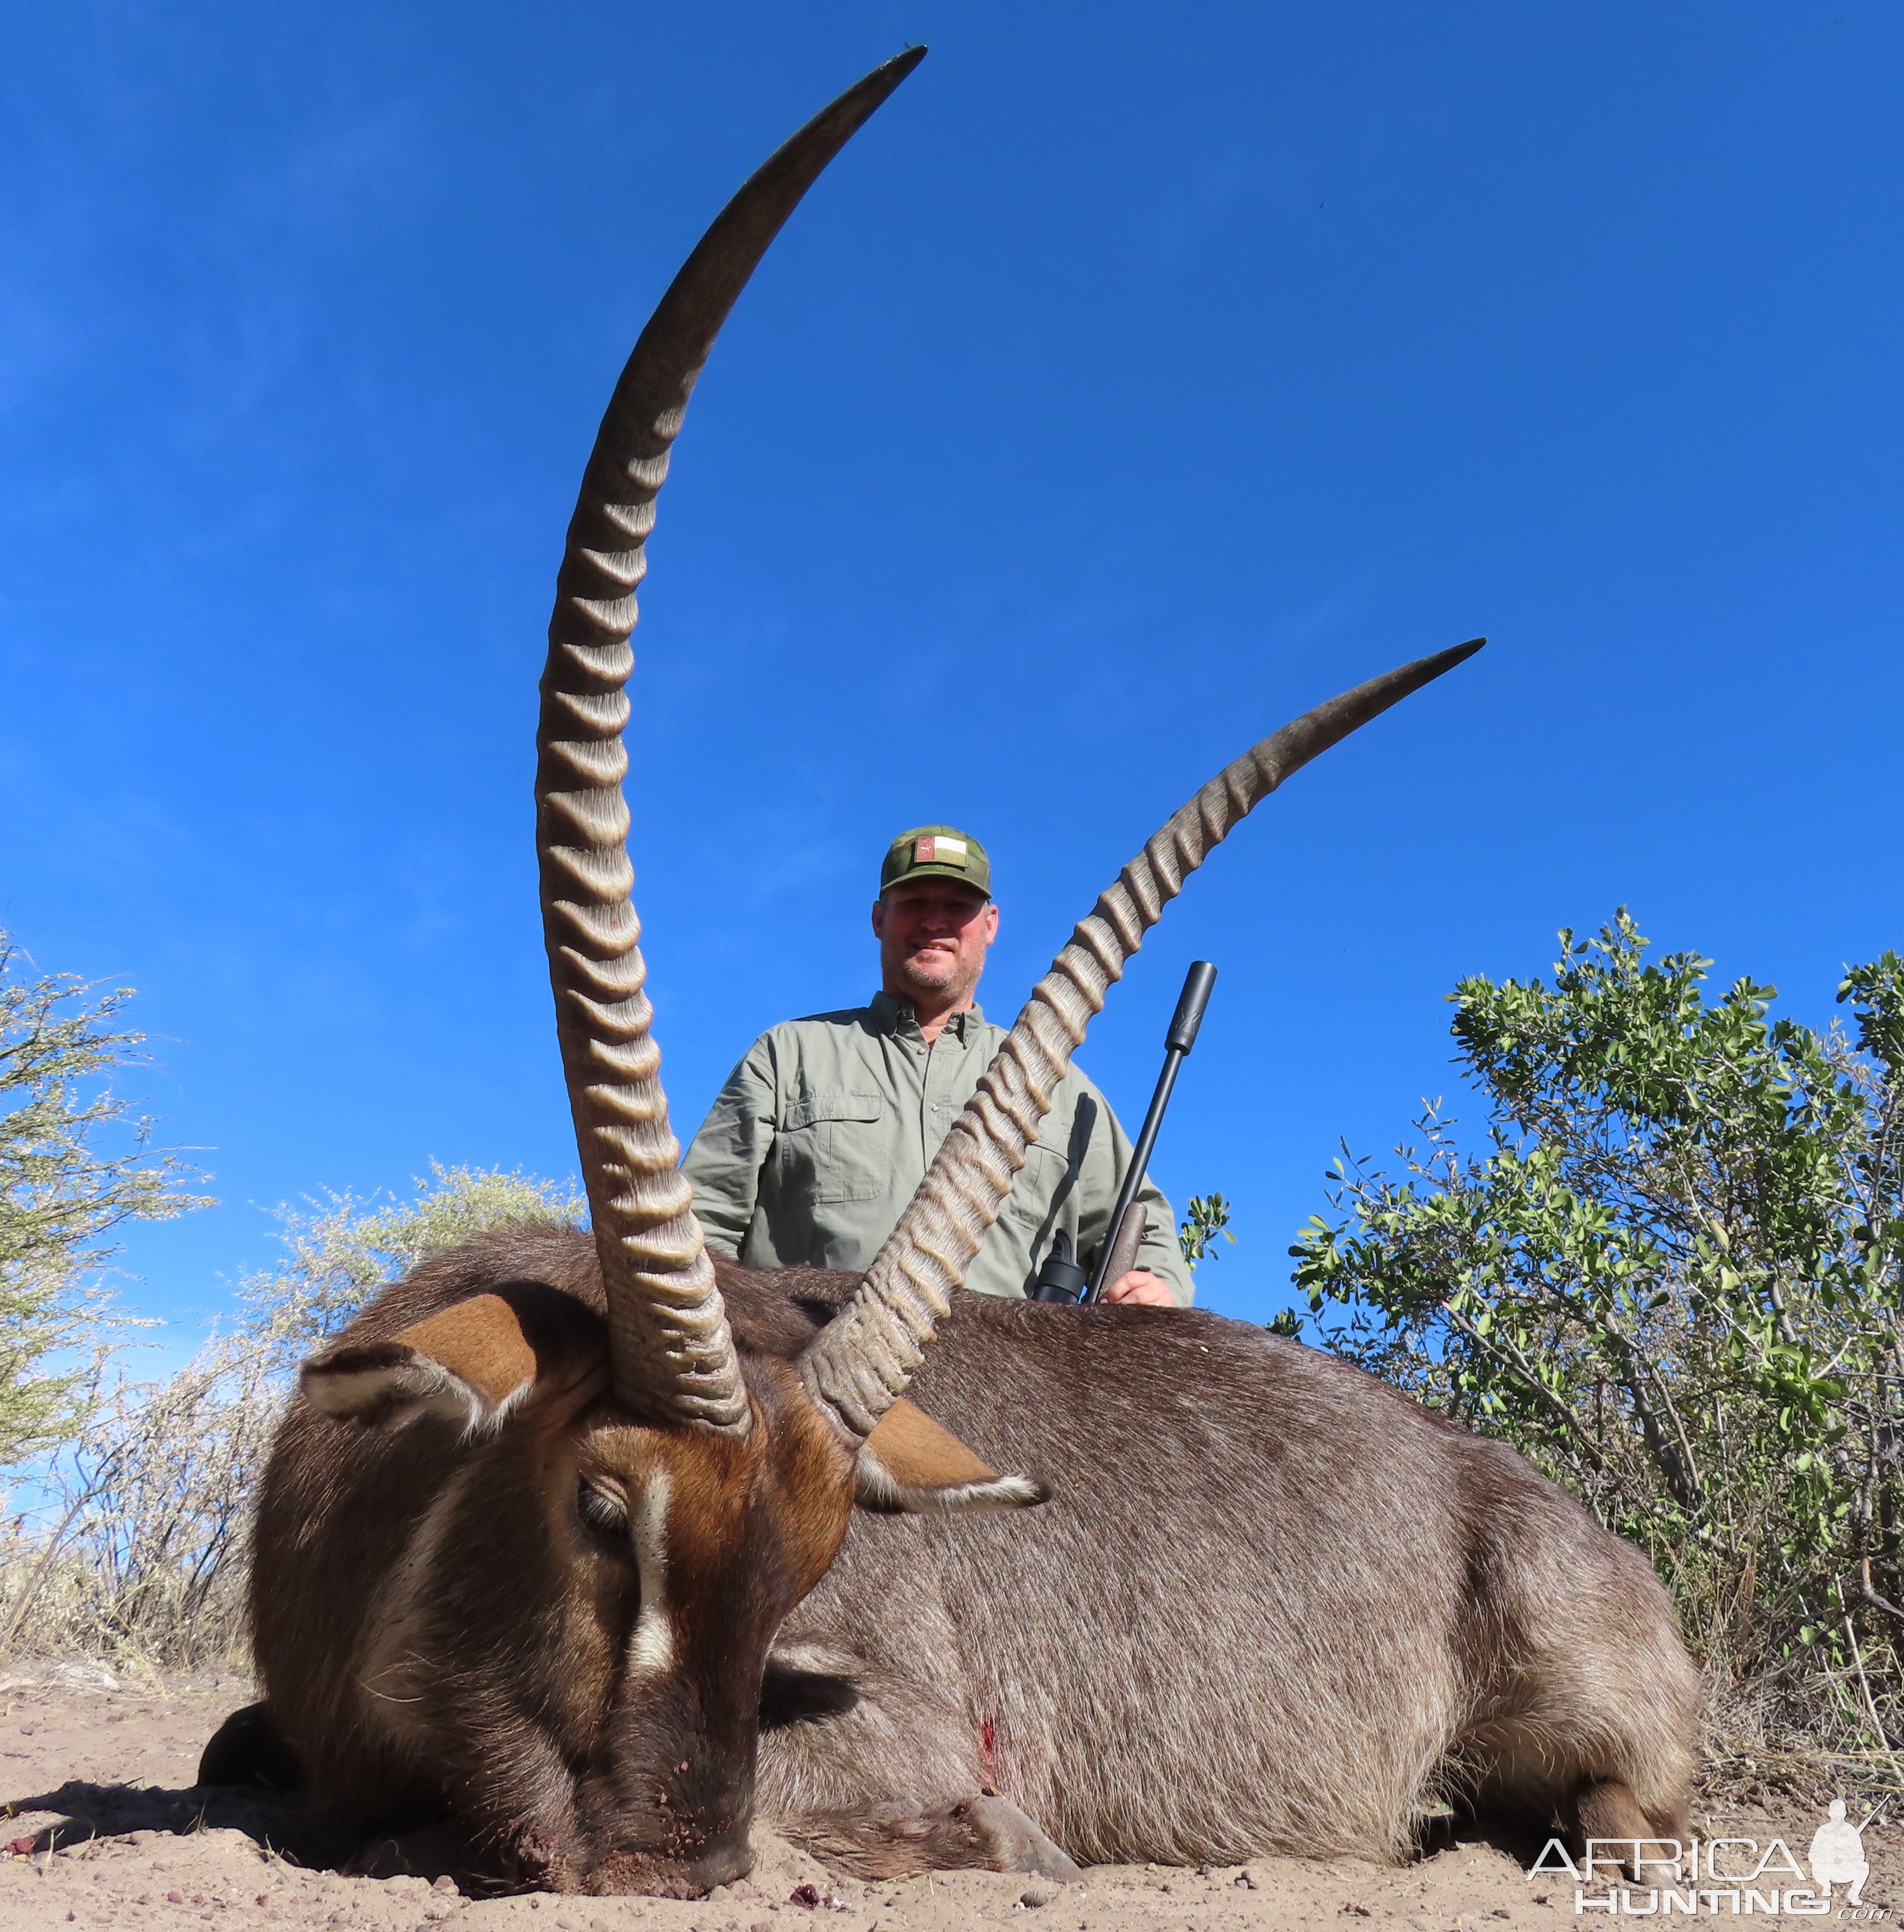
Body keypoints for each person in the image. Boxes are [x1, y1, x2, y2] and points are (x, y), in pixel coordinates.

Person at [683, 825, 1194, 1305]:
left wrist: (1155, 1287)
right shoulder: (787, 1056)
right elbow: (700, 1231)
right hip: (808, 1384)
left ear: (990, 924)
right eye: (914, 903)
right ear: (879, 918)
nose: (934, 921)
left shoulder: (1058, 1087)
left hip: (1003, 1390)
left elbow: (1143, 1230)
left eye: (957, 906)